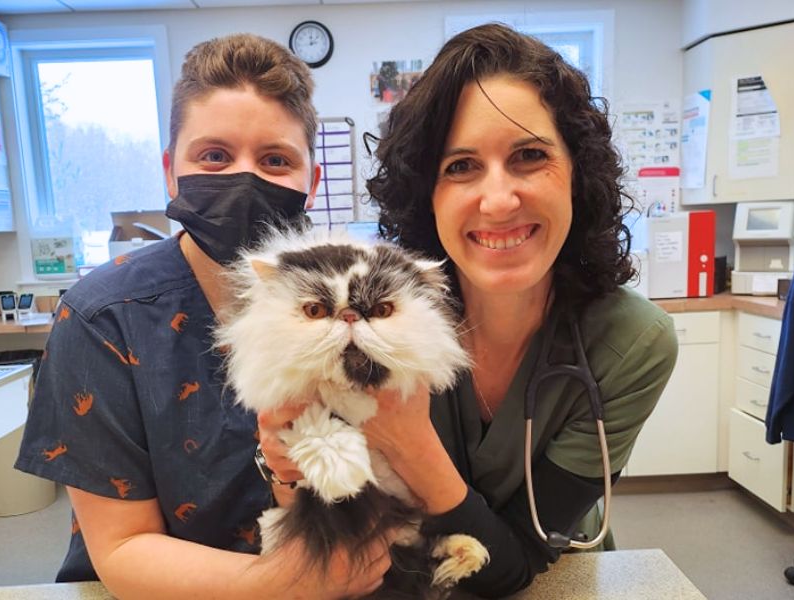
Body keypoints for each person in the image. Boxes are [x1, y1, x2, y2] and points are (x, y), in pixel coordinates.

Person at [264, 22, 680, 599]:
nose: (499, 200)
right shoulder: (375, 316)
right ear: (425, 194)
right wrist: (288, 468)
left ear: (577, 174)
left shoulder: (633, 341)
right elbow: (327, 512)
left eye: (530, 156)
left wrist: (408, 438)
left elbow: (514, 568)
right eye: (460, 166)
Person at [15, 34, 391, 599]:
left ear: (311, 183)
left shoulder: (360, 304)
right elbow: (121, 550)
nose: (243, 180)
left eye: (274, 160)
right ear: (171, 172)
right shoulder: (103, 318)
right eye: (214, 156)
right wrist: (293, 582)